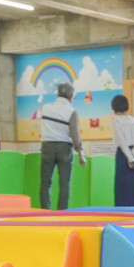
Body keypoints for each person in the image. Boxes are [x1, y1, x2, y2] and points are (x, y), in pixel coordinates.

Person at [38, 82, 86, 210]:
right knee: (64, 183)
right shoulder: (71, 111)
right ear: (71, 96)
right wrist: (81, 154)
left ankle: (45, 211)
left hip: (47, 146)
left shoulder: (45, 107)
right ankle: (62, 212)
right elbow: (75, 134)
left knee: (45, 182)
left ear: (58, 93)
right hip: (64, 148)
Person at [110, 94, 134, 207]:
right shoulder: (133, 120)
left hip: (123, 155)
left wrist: (129, 158)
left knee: (122, 186)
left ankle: (122, 211)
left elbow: (122, 142)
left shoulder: (116, 121)